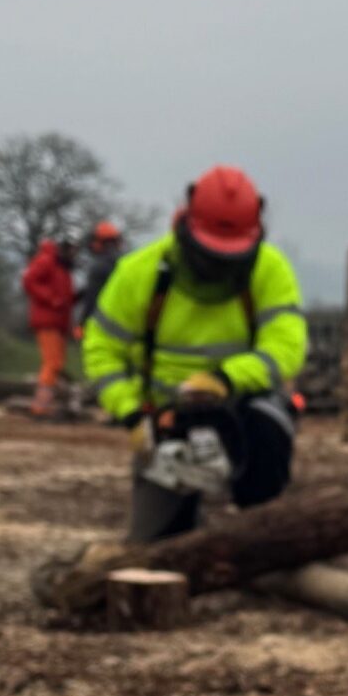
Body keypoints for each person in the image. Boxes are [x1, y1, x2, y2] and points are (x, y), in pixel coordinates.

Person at [81, 167, 308, 541]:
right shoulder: (140, 273)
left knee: (270, 422)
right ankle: (180, 529)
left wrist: (225, 379)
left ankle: (262, 528)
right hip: (166, 417)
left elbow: (286, 346)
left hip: (242, 410)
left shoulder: (270, 270)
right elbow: (101, 349)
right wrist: (131, 412)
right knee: (152, 544)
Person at [20, 236, 77, 417]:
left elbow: (63, 298)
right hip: (48, 322)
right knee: (52, 363)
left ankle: (46, 403)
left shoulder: (63, 267)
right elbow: (29, 280)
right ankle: (40, 406)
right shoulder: (47, 261)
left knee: (57, 363)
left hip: (58, 322)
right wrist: (51, 299)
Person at [74, 219, 124, 329]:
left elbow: (92, 298)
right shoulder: (125, 262)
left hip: (100, 325)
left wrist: (82, 323)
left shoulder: (99, 266)